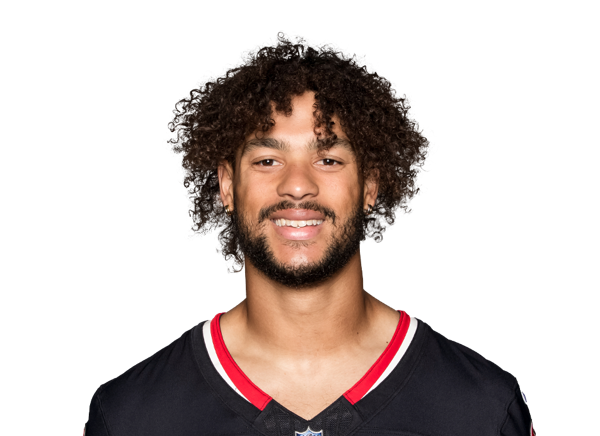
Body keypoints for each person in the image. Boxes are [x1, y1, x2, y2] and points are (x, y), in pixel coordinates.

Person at [84, 32, 535, 435]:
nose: (297, 185)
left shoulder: (482, 409)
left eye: (328, 160)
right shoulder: (130, 416)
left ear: (370, 185)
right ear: (227, 186)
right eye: (267, 161)